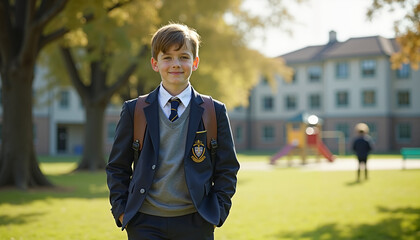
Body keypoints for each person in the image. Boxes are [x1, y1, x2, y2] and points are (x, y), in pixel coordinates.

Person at [106, 23, 240, 240]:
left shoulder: (214, 111)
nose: (176, 64)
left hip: (196, 222)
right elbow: (117, 167)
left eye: (184, 57)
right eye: (167, 57)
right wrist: (121, 212)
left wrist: (218, 211)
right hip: (144, 223)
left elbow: (227, 168)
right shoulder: (135, 110)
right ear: (154, 63)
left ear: (195, 63)